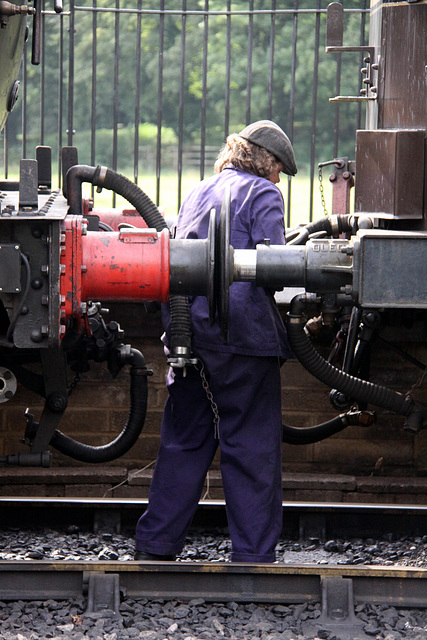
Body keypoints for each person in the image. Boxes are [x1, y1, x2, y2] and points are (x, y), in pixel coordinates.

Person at [135, 120, 297, 563]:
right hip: (242, 343)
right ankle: (253, 558)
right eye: (279, 168)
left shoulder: (199, 189)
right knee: (251, 449)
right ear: (266, 161)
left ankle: (156, 545)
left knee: (184, 442)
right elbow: (276, 268)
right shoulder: (264, 194)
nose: (279, 178)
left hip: (189, 339)